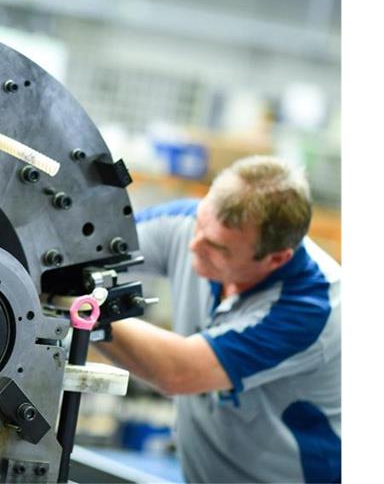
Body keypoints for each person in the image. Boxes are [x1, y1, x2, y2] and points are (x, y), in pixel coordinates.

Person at [98, 155, 340, 483]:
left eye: (218, 248)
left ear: (276, 259)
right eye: (199, 224)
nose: (193, 245)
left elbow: (177, 371)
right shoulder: (193, 227)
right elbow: (87, 251)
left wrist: (80, 308)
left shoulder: (313, 307)